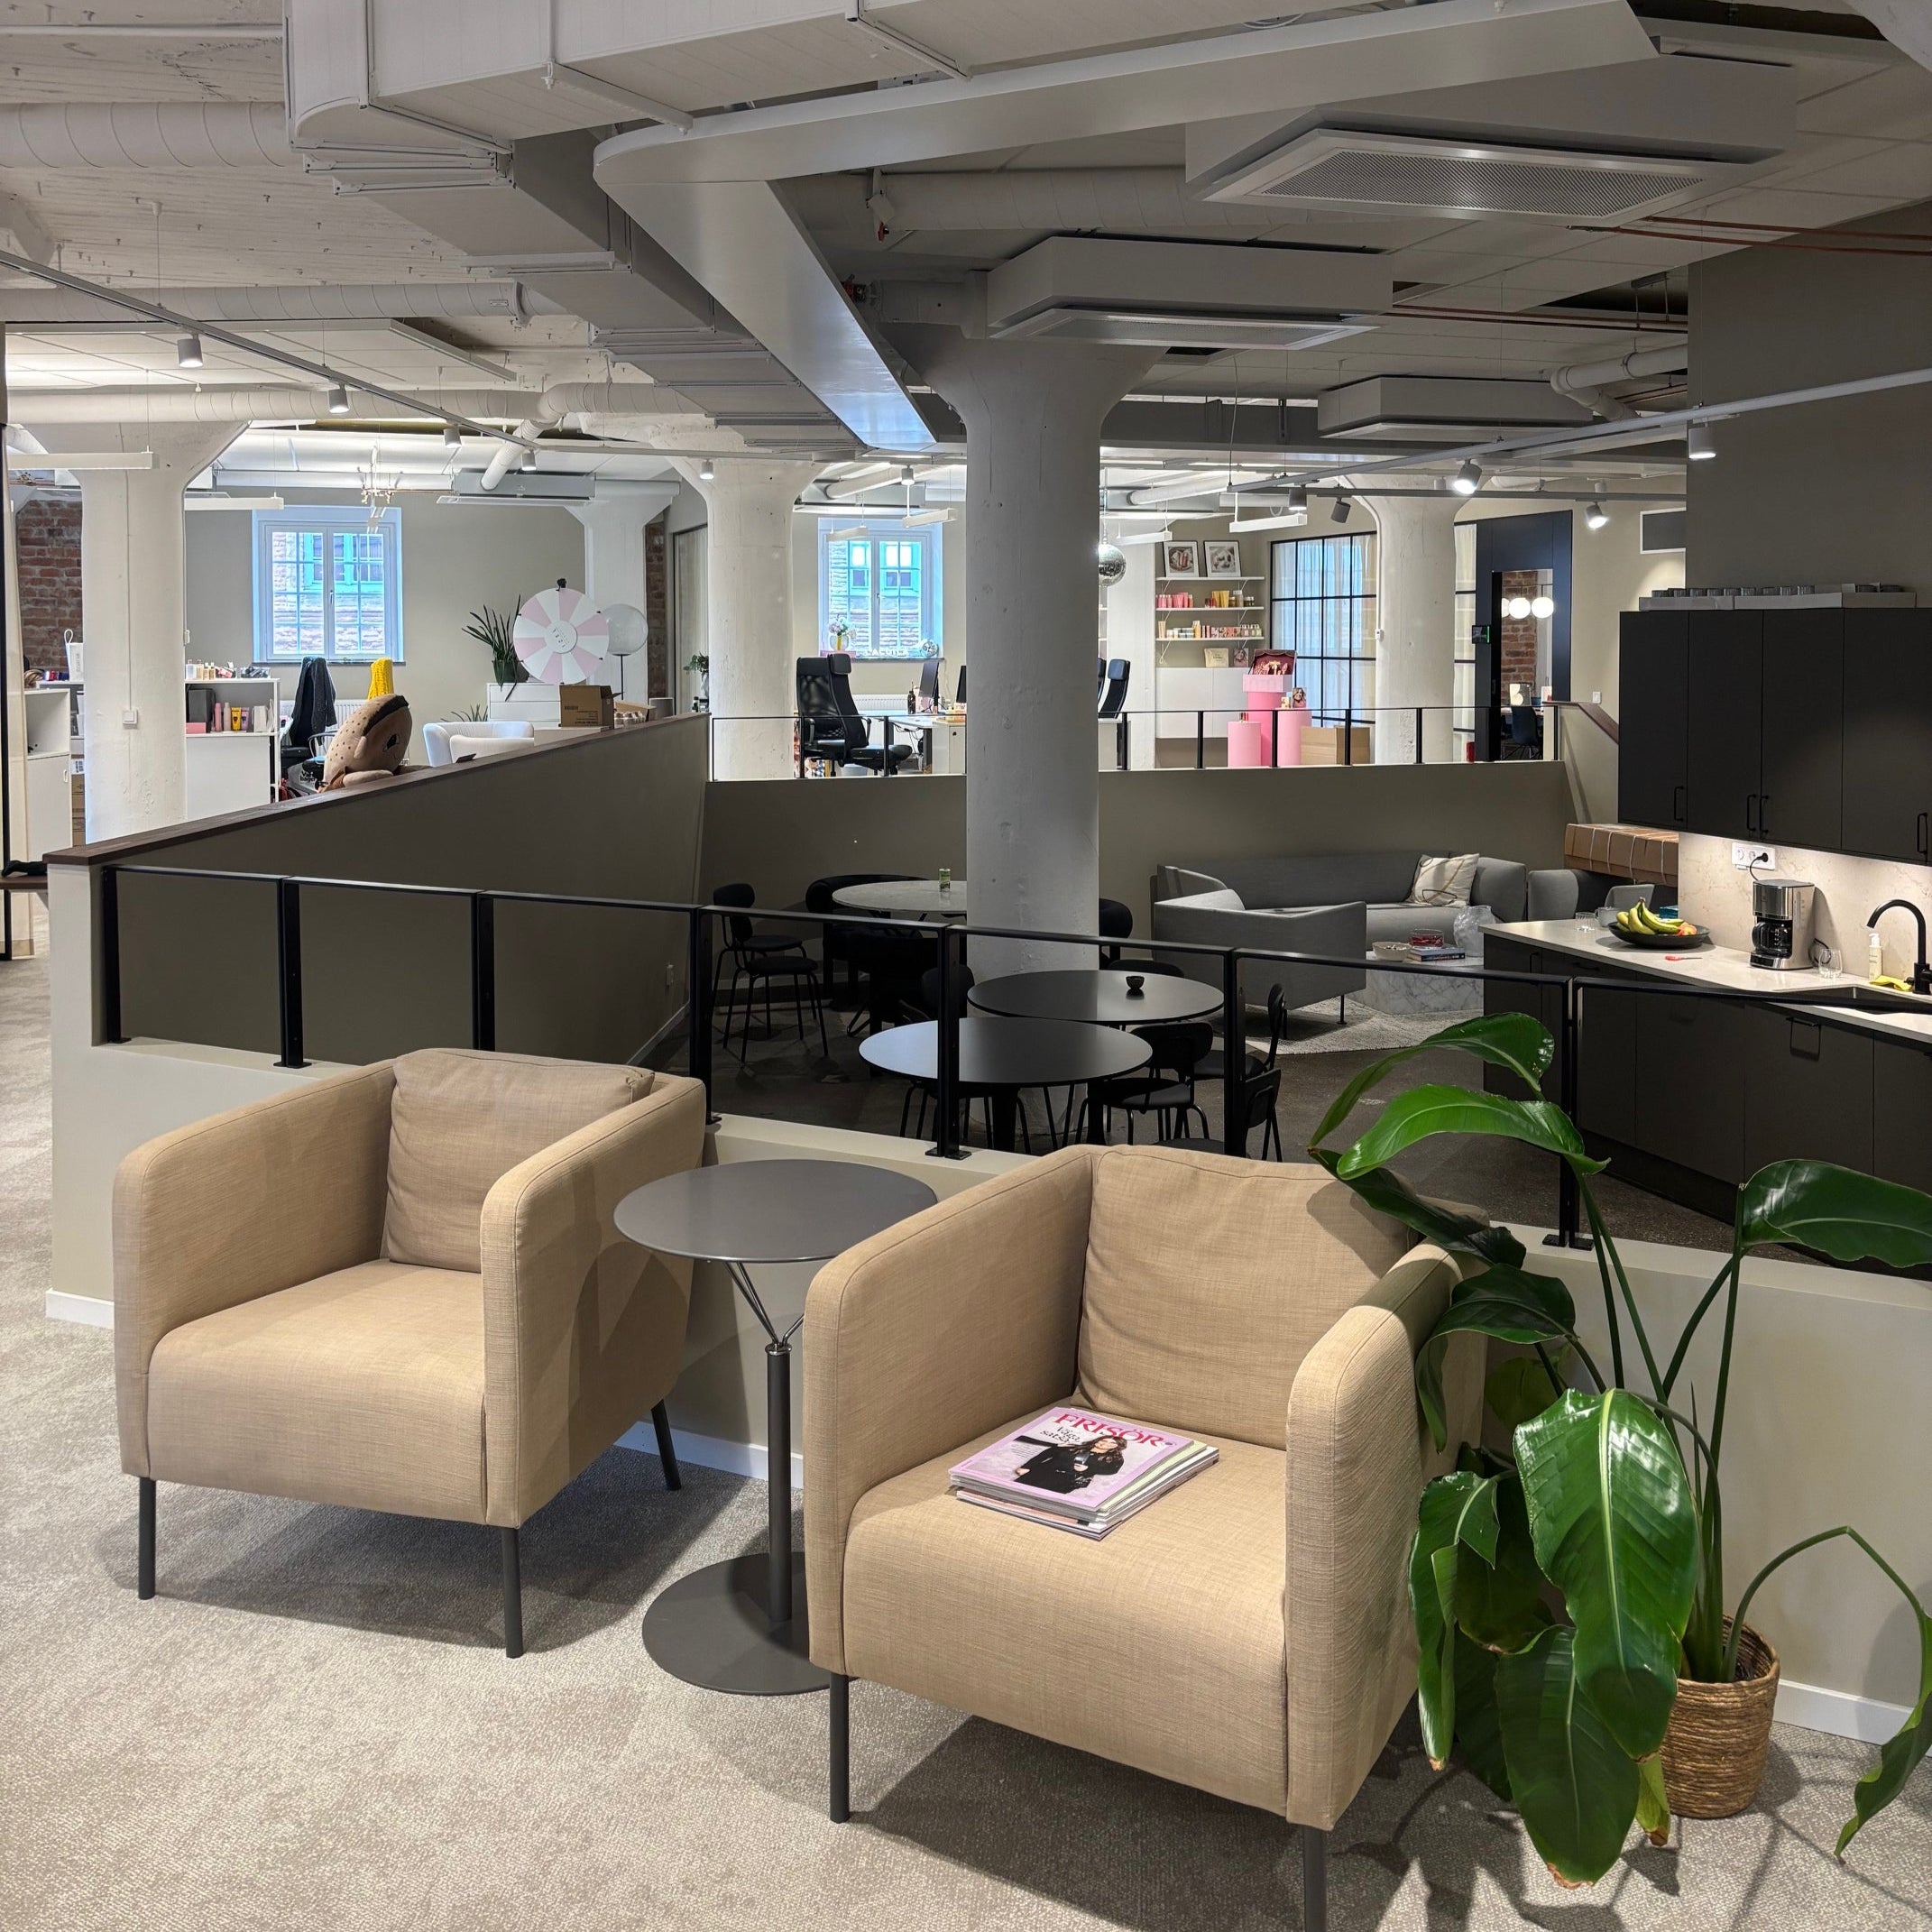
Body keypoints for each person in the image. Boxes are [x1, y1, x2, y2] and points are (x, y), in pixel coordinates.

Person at [1010, 1431, 1126, 1495]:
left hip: (1065, 1481)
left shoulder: (1114, 1459)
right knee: (1015, 1492)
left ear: (1117, 1447)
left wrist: (1088, 1470)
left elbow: (1112, 1470)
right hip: (1040, 1473)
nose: (1105, 1444)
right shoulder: (1074, 1446)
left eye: (1112, 1443)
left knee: (1039, 1501)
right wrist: (1026, 1467)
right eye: (1104, 1440)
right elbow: (1046, 1454)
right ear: (1098, 1440)